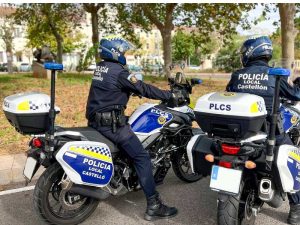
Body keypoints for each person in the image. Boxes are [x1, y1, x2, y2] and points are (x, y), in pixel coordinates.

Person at [86, 36, 181, 221]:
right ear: (116, 53)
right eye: (123, 52)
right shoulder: (120, 72)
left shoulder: (100, 68)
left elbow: (115, 89)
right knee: (142, 157)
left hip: (95, 120)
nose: (125, 55)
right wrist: (169, 95)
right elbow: (143, 88)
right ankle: (154, 205)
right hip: (111, 126)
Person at [226, 36, 300, 225]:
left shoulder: (237, 74)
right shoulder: (275, 74)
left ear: (251, 53)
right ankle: (295, 209)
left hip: (240, 131)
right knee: (294, 161)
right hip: (269, 132)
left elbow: (229, 94)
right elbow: (294, 95)